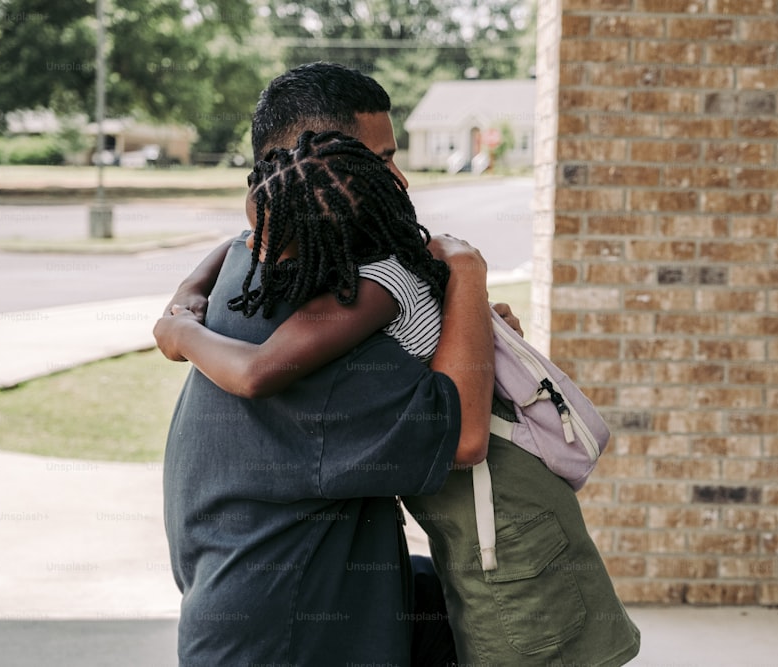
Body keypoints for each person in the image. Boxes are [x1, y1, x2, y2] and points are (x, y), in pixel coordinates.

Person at [161, 129, 641, 665]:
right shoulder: (342, 250)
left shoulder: (370, 290)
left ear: (331, 236)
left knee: (531, 638)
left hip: (502, 510)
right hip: (469, 518)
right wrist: (188, 292)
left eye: (271, 243)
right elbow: (234, 245)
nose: (255, 256)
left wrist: (180, 332)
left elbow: (256, 372)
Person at [154, 63, 495, 666]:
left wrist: (181, 311)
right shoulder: (331, 340)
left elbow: (230, 244)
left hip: (259, 607)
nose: (401, 179)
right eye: (381, 160)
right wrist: (467, 275)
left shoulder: (251, 263)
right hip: (288, 639)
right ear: (328, 173)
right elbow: (466, 433)